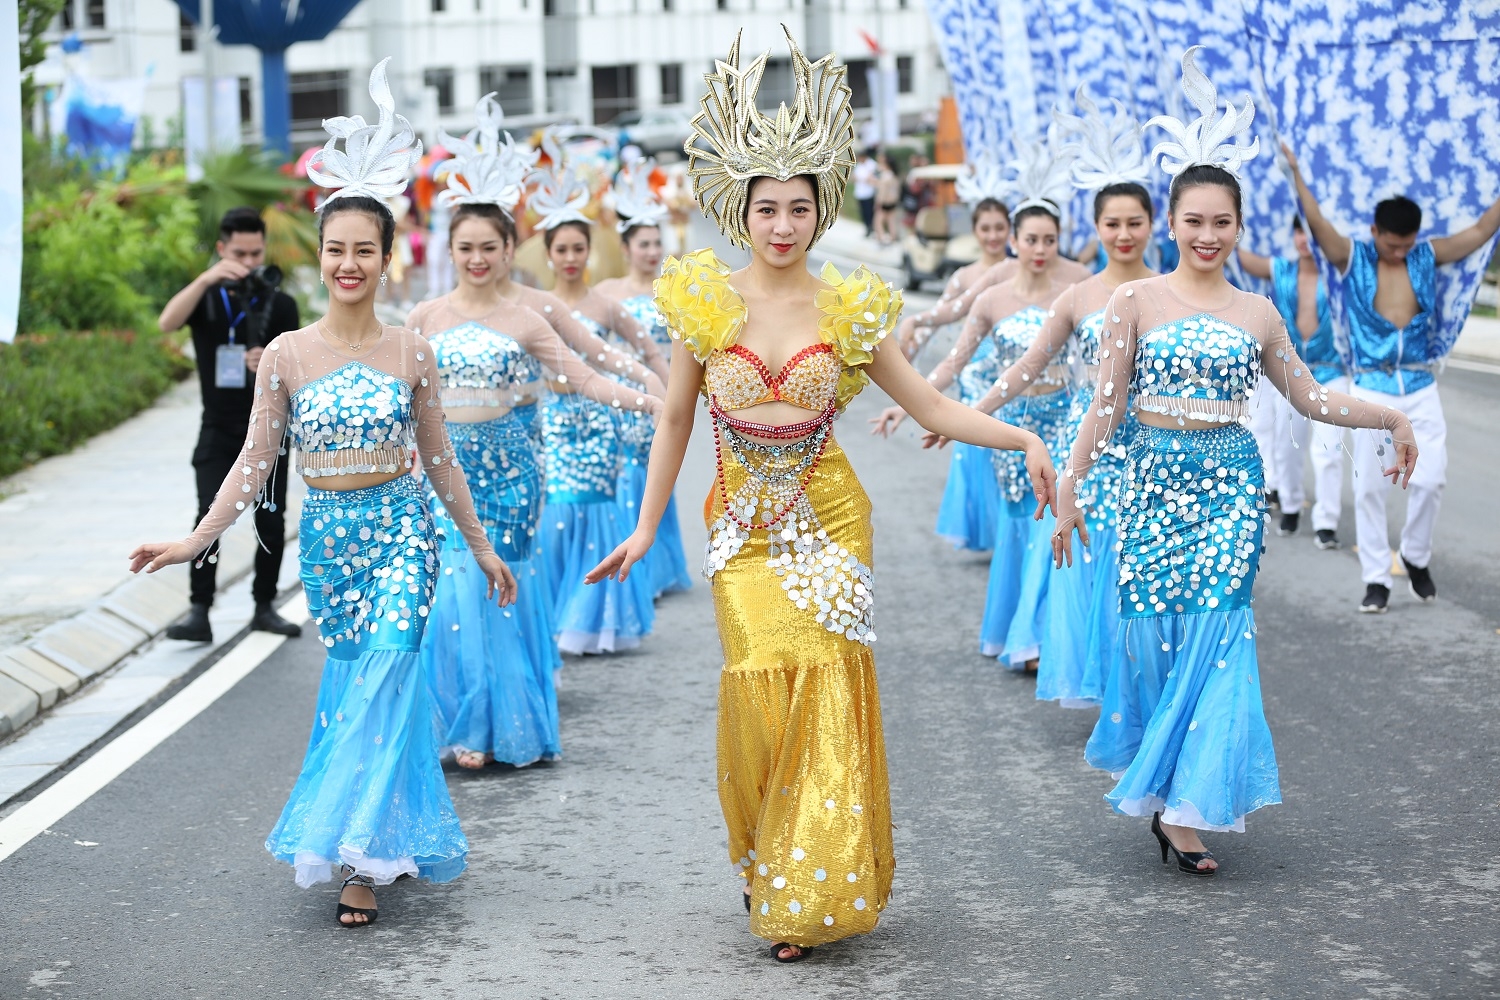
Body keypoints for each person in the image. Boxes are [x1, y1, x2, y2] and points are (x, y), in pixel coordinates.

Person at [587, 30, 1056, 963]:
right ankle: (769, 851)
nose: (784, 223)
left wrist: (1025, 434)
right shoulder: (699, 300)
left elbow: (928, 402)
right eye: (768, 208)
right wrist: (647, 527)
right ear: (741, 210)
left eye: (801, 208)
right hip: (741, 527)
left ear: (821, 210)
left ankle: (807, 885)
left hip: (829, 518)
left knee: (826, 687)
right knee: (760, 688)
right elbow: (677, 421)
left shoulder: (850, 309)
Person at [129, 60, 518, 925]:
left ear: (387, 258)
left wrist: (480, 547)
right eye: (336, 249)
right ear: (323, 256)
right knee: (357, 682)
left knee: (389, 666)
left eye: (364, 250)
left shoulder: (414, 350)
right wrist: (197, 540)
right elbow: (253, 463)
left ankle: (358, 861)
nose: (349, 263)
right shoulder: (290, 355)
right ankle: (381, 832)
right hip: (332, 543)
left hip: (405, 534)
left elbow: (443, 462)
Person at [1053, 49, 1416, 875]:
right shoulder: (1132, 300)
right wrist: (1071, 487)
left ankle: (1187, 809)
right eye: (1194, 222)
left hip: (1227, 492)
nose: (1208, 236)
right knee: (1153, 644)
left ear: (1239, 227)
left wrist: (1389, 414)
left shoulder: (1258, 311)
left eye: (1223, 223)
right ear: (1170, 225)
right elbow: (1106, 409)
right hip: (1148, 488)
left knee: (1220, 638)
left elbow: (1312, 399)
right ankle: (1166, 781)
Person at [407, 94, 664, 770]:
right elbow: (395, 396)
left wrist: (657, 401)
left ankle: (500, 724)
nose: (477, 258)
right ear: (453, 250)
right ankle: (462, 719)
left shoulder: (527, 317)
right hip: (445, 476)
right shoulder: (425, 317)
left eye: (488, 247)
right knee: (453, 592)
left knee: (499, 587)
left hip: (514, 473)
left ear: (508, 248)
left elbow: (586, 376)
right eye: (465, 248)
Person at [945, 92, 1158, 705]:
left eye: (1134, 222)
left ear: (1153, 225)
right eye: (1111, 224)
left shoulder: (1173, 291)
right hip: (1085, 451)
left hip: (1157, 450)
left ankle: (1143, 679)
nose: (1123, 234)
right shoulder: (1077, 296)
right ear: (1096, 230)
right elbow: (1026, 368)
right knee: (1091, 567)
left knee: (1144, 567)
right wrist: (968, 416)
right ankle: (1108, 681)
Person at [1284, 144, 1500, 612]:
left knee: (1432, 480)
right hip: (1369, 391)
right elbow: (1319, 224)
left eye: (1407, 244)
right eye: (1391, 244)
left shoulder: (1426, 257)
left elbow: (1483, 229)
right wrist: (1298, 172)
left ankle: (1415, 556)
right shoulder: (1353, 257)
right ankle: (1377, 578)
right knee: (1368, 488)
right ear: (1374, 231)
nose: (1399, 252)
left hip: (1420, 386)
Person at [529, 158, 666, 654]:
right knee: (558, 515)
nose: (570, 256)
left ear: (590, 252)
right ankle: (558, 617)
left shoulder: (606, 307)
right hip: (552, 426)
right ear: (548, 254)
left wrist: (665, 397)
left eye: (578, 248)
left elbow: (642, 352)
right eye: (561, 249)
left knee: (591, 513)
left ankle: (584, 620)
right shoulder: (535, 307)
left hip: (599, 424)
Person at [155, 206, 303, 643]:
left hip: (270, 430)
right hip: (218, 427)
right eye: (239, 253)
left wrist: (271, 365)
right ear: (222, 250)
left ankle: (264, 605)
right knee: (207, 512)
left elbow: (300, 373)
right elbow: (167, 323)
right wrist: (206, 279)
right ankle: (199, 611)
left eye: (256, 254)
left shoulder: (280, 301)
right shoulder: (207, 297)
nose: (249, 263)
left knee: (270, 518)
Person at [593, 162, 695, 598]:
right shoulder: (608, 293)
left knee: (656, 476)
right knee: (629, 479)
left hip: (665, 394)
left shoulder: (675, 291)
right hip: (624, 400)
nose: (653, 251)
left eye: (658, 242)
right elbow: (593, 349)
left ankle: (658, 566)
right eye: (644, 244)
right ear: (626, 247)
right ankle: (635, 568)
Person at [895, 188, 1014, 553]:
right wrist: (901, 366)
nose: (993, 236)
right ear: (975, 232)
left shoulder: (1023, 269)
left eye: (1000, 228)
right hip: (974, 374)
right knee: (979, 456)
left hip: (1014, 371)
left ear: (1010, 230)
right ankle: (994, 535)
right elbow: (934, 324)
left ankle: (1015, 534)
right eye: (986, 228)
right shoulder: (964, 277)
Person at [1237, 217, 1346, 543]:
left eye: (1313, 232)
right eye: (1300, 231)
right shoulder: (1280, 269)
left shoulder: (1340, 275)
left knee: (1329, 449)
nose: (1305, 239)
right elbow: (1237, 255)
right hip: (1290, 371)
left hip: (1331, 371)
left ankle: (1326, 522)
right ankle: (1292, 504)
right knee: (1288, 448)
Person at [873, 151, 901, 245]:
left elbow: (883, 191)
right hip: (893, 202)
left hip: (884, 201)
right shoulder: (895, 175)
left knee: (878, 221)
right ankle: (893, 237)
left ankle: (882, 237)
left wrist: (879, 202)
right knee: (891, 221)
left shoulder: (885, 176)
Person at [853, 147, 879, 238]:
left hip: (869, 192)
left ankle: (871, 228)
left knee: (870, 212)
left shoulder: (872, 164)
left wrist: (863, 179)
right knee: (863, 212)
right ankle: (867, 227)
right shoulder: (859, 165)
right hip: (860, 192)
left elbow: (871, 178)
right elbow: (855, 177)